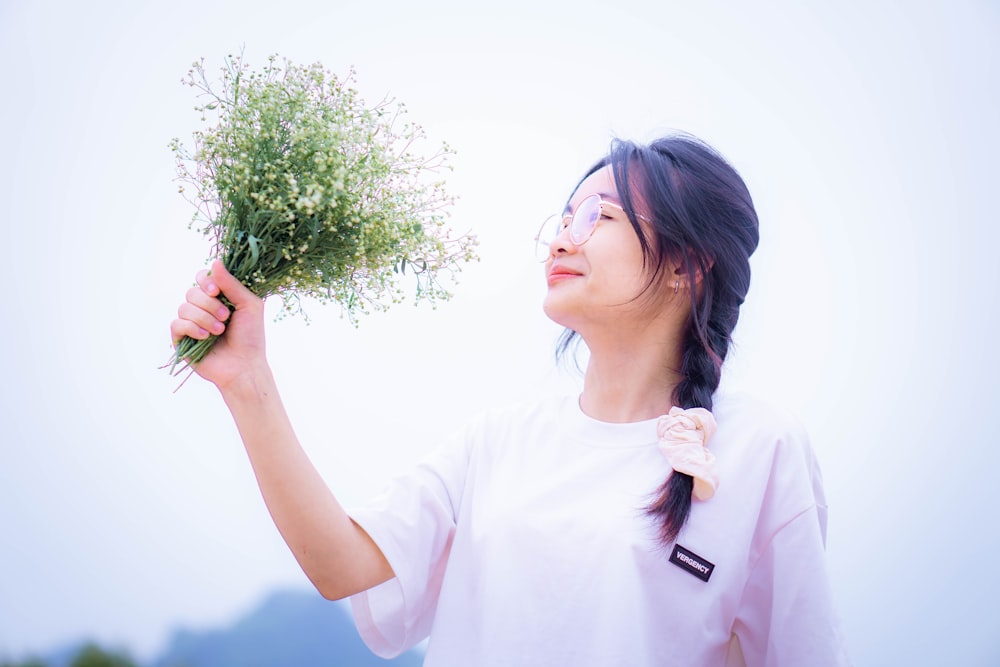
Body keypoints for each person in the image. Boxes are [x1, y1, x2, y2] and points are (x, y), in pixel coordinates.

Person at [170, 133, 851, 666]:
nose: (561, 237)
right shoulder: (499, 440)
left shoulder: (761, 450)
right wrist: (247, 380)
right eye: (562, 217)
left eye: (598, 216)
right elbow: (339, 563)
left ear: (685, 264)